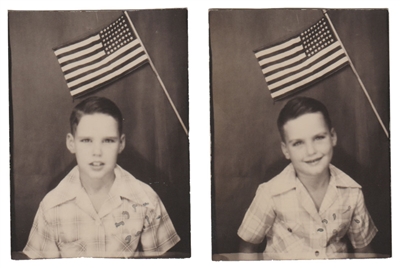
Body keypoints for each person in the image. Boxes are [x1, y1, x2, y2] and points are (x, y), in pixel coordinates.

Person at [23, 96, 180, 258]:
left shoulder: (147, 200)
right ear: (71, 143)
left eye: (108, 141)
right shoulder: (51, 207)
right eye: (86, 140)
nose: (97, 152)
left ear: (121, 143)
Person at [237, 96, 377, 259]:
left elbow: (364, 251)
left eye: (318, 138)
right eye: (298, 143)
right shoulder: (270, 194)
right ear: (286, 150)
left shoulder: (353, 193)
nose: (311, 151)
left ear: (333, 137)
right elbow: (247, 249)